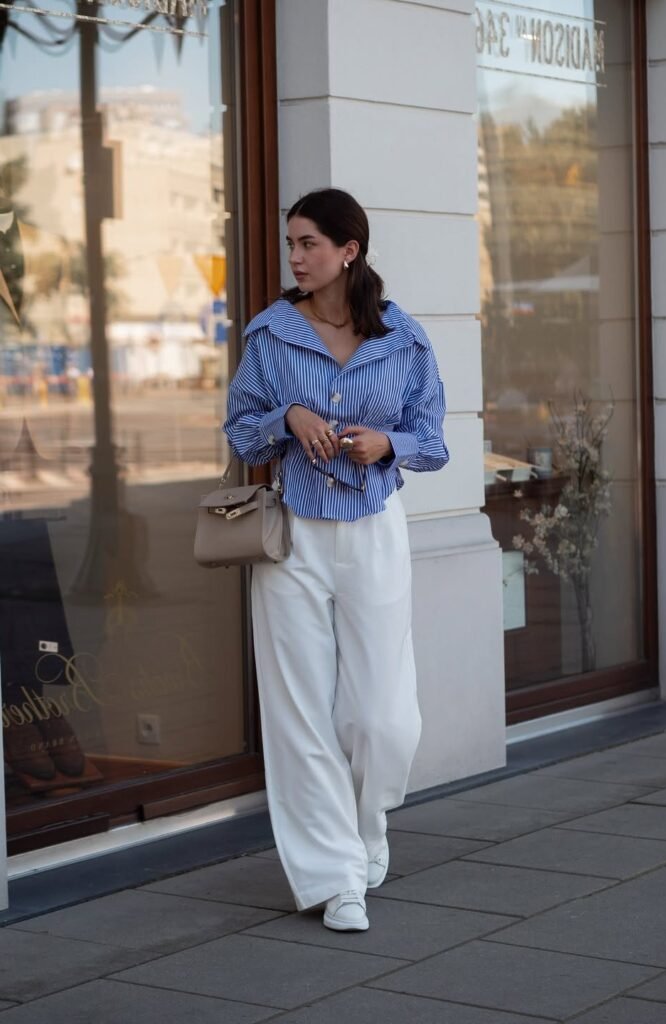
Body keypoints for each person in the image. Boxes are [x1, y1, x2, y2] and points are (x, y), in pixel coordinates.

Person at [224, 187, 448, 932]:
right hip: (290, 535)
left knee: (385, 718)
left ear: (349, 249)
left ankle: (368, 822)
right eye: (291, 244)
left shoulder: (405, 340)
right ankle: (334, 879)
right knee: (300, 714)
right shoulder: (270, 334)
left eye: (309, 243)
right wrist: (286, 417)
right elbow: (238, 430)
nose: (295, 257)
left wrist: (391, 444)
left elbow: (434, 439)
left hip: (375, 529)